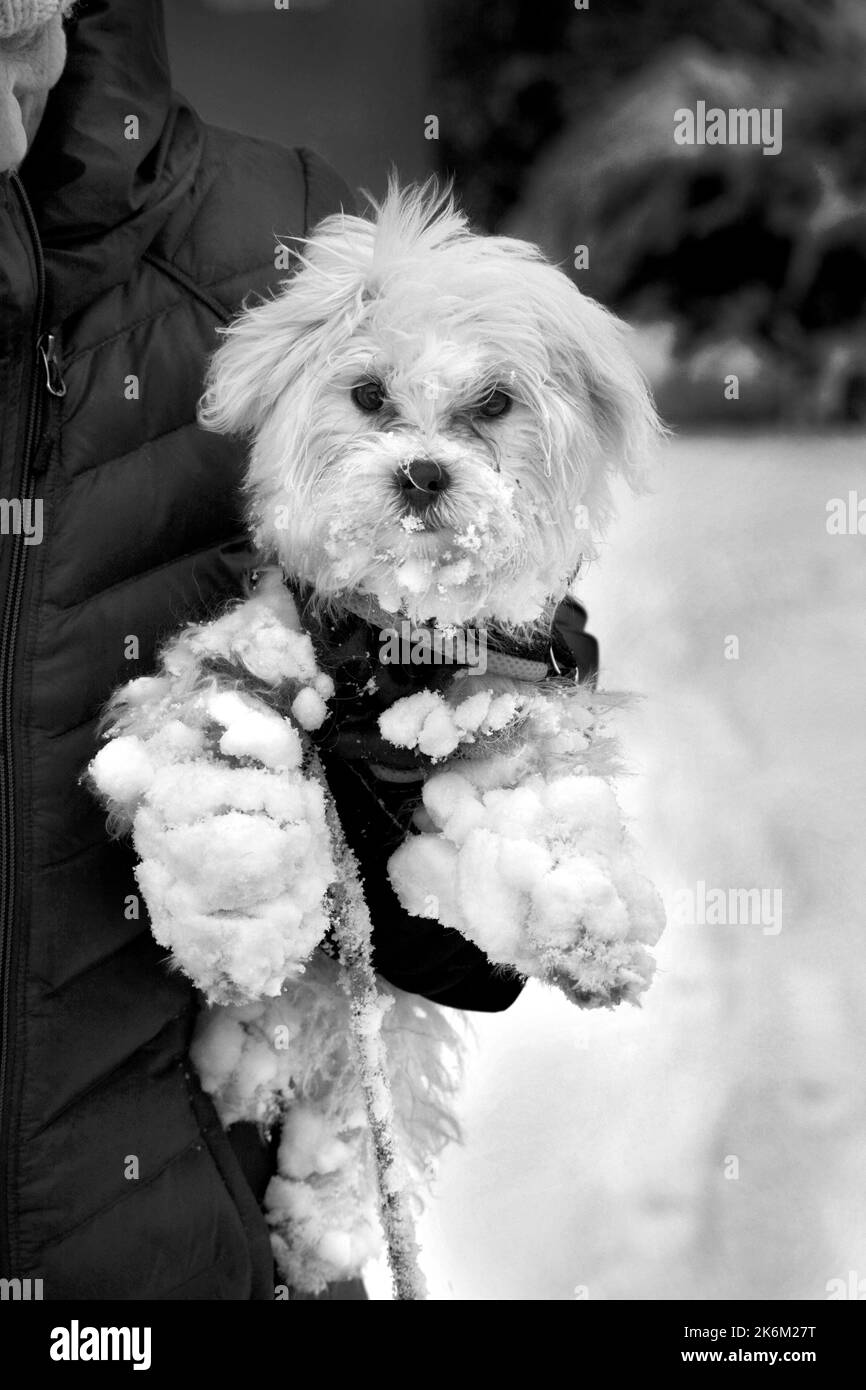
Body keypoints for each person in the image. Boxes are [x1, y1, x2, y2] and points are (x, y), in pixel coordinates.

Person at [0, 0, 526, 1301]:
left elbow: (488, 919)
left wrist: (397, 733)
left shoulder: (285, 255)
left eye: (16, 35)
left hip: (165, 1254)